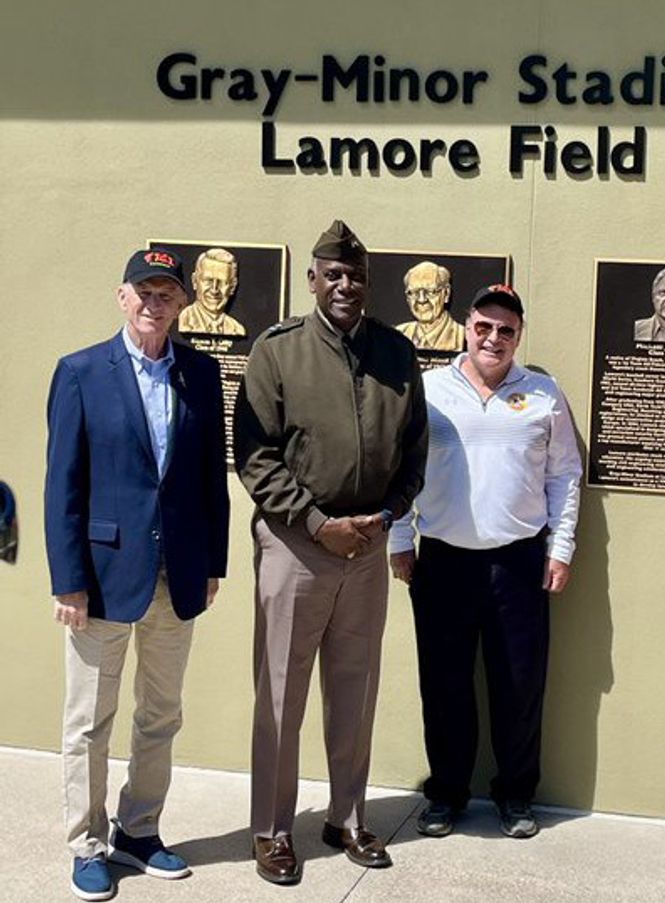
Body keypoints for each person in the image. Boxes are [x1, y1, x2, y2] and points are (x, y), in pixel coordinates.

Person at [233, 220, 428, 885]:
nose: (347, 285)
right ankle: (272, 830)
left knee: (356, 688)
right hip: (296, 546)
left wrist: (388, 514)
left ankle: (346, 816)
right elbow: (253, 457)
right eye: (334, 274)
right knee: (281, 696)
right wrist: (317, 523)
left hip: (367, 548)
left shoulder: (396, 355)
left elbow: (415, 452)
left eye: (358, 276)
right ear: (313, 279)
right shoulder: (277, 351)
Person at [44, 248, 229, 901]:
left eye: (168, 294)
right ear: (123, 296)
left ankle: (139, 829)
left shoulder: (201, 375)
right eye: (145, 291)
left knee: (161, 713)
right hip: (99, 577)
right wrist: (67, 578)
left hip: (175, 575)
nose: (156, 303)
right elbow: (62, 485)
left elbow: (212, 479)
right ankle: (87, 841)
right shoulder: (81, 372)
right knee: (89, 719)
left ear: (182, 304)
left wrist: (213, 563)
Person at [389, 284, 582, 840]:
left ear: (519, 337)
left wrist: (561, 547)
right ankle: (446, 794)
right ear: (467, 327)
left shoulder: (543, 393)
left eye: (506, 331)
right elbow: (404, 468)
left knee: (518, 685)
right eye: (483, 327)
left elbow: (565, 475)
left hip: (518, 562)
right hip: (443, 560)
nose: (493, 339)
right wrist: (401, 538)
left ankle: (516, 796)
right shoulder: (427, 390)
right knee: (445, 684)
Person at [394, 260, 465, 351]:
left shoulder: (463, 336)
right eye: (414, 292)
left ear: (446, 293)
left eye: (431, 291)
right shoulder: (398, 335)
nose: (422, 300)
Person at [177, 248, 247, 336]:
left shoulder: (237, 329)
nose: (214, 290)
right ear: (195, 281)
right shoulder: (183, 320)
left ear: (232, 287)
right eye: (208, 281)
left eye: (222, 282)